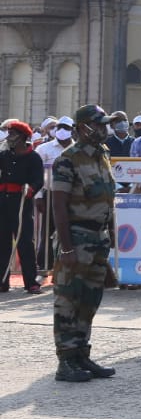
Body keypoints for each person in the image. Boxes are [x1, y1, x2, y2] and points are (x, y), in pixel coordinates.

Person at [49, 105, 117, 383]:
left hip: (98, 239)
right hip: (76, 238)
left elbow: (108, 201)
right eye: (97, 124)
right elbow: (59, 208)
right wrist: (66, 248)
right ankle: (66, 360)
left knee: (90, 300)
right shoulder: (67, 160)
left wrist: (109, 238)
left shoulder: (103, 155)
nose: (103, 129)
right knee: (68, 300)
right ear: (82, 128)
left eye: (104, 124)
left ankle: (81, 354)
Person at [1, 121, 45, 293]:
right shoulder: (4, 155)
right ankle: (2, 281)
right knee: (2, 243)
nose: (9, 138)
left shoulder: (33, 157)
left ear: (23, 137)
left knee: (25, 243)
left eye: (13, 134)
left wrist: (30, 189)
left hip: (21, 205)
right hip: (3, 203)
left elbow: (38, 180)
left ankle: (31, 282)